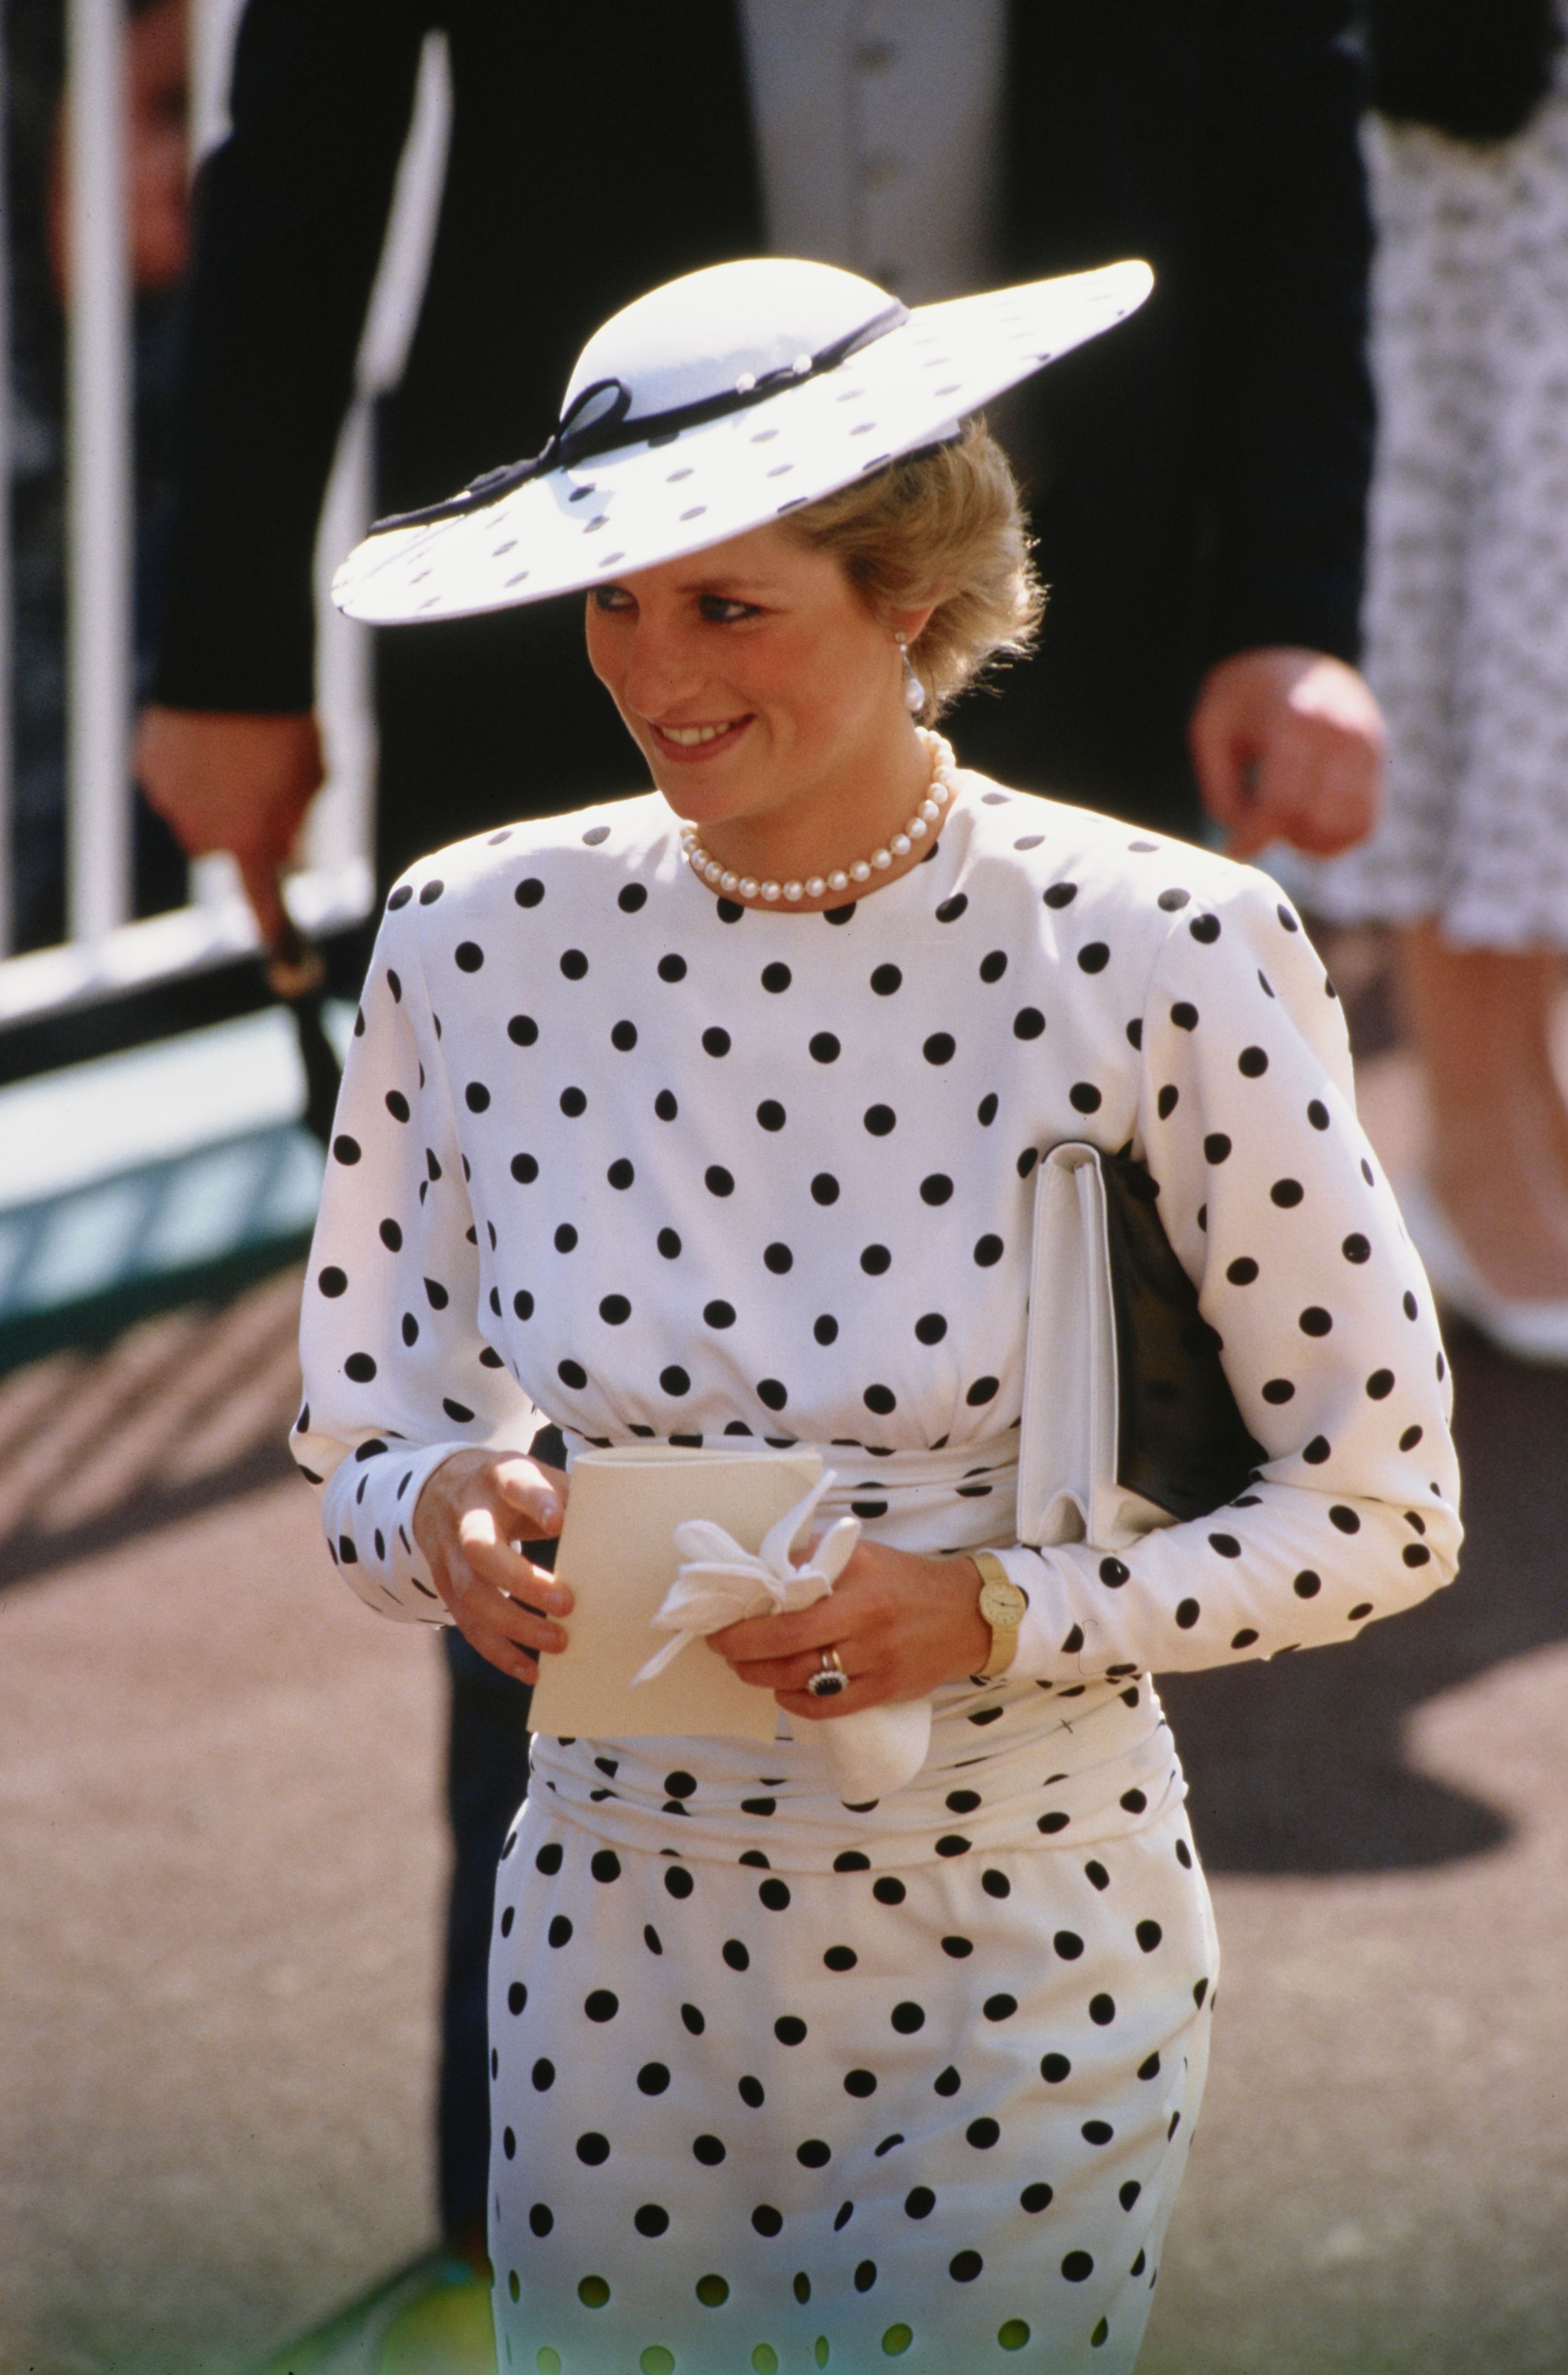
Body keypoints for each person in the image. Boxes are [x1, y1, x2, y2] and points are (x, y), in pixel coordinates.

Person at [138, 4, 1388, 2261]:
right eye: (640, 602)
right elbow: (299, 128)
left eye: (707, 601)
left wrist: (1293, 601)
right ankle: (486, 2240)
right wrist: (447, 1506)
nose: (657, 656)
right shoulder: (485, 925)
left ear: (907, 597)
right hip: (611, 1952)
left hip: (1030, 1935)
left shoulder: (1166, 940)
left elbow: (1291, 130)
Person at [1304, 0, 1568, 1360]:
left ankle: (1521, 1113)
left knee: (1532, 638)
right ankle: (1475, 1152)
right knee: (1489, 623)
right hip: (1469, 174)